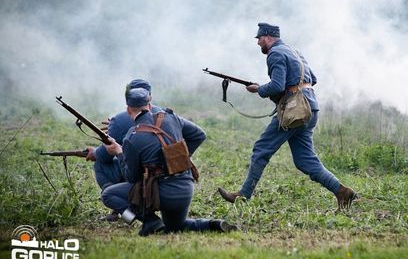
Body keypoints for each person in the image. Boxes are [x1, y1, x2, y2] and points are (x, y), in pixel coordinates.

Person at [218, 22, 357, 209]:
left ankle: (243, 195)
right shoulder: (295, 52)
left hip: (295, 111)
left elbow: (276, 86)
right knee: (304, 161)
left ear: (267, 37)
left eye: (259, 39)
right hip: (310, 108)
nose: (258, 43)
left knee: (261, 149)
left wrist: (259, 89)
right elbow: (312, 79)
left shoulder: (275, 54)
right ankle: (342, 192)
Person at [102, 88, 236, 236]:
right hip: (185, 189)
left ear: (128, 109)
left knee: (108, 195)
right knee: (175, 226)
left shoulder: (132, 137)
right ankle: (212, 224)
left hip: (161, 195)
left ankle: (148, 220)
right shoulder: (172, 118)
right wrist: (178, 159)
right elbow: (199, 135)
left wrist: (118, 152)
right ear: (150, 103)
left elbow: (131, 177)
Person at [86, 79, 160, 221]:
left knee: (101, 165)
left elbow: (105, 155)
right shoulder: (165, 114)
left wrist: (94, 152)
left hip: (138, 177)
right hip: (165, 177)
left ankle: (127, 214)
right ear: (149, 97)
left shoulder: (119, 119)